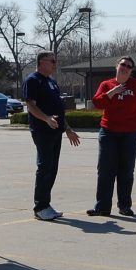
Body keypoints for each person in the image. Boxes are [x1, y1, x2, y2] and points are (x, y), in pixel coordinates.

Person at [87, 56, 136, 217]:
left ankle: (124, 206)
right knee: (105, 170)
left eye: (129, 66)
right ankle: (102, 207)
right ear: (116, 66)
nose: (125, 67)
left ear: (131, 70)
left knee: (126, 170)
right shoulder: (106, 85)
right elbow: (97, 103)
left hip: (131, 133)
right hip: (108, 132)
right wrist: (112, 92)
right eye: (123, 64)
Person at [22, 51, 81, 221]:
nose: (55, 64)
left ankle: (46, 205)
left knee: (52, 169)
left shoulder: (52, 82)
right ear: (41, 62)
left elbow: (58, 110)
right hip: (42, 131)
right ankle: (40, 207)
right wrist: (46, 119)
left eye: (55, 61)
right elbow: (31, 106)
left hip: (56, 131)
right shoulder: (33, 80)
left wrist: (67, 128)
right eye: (52, 61)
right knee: (45, 167)